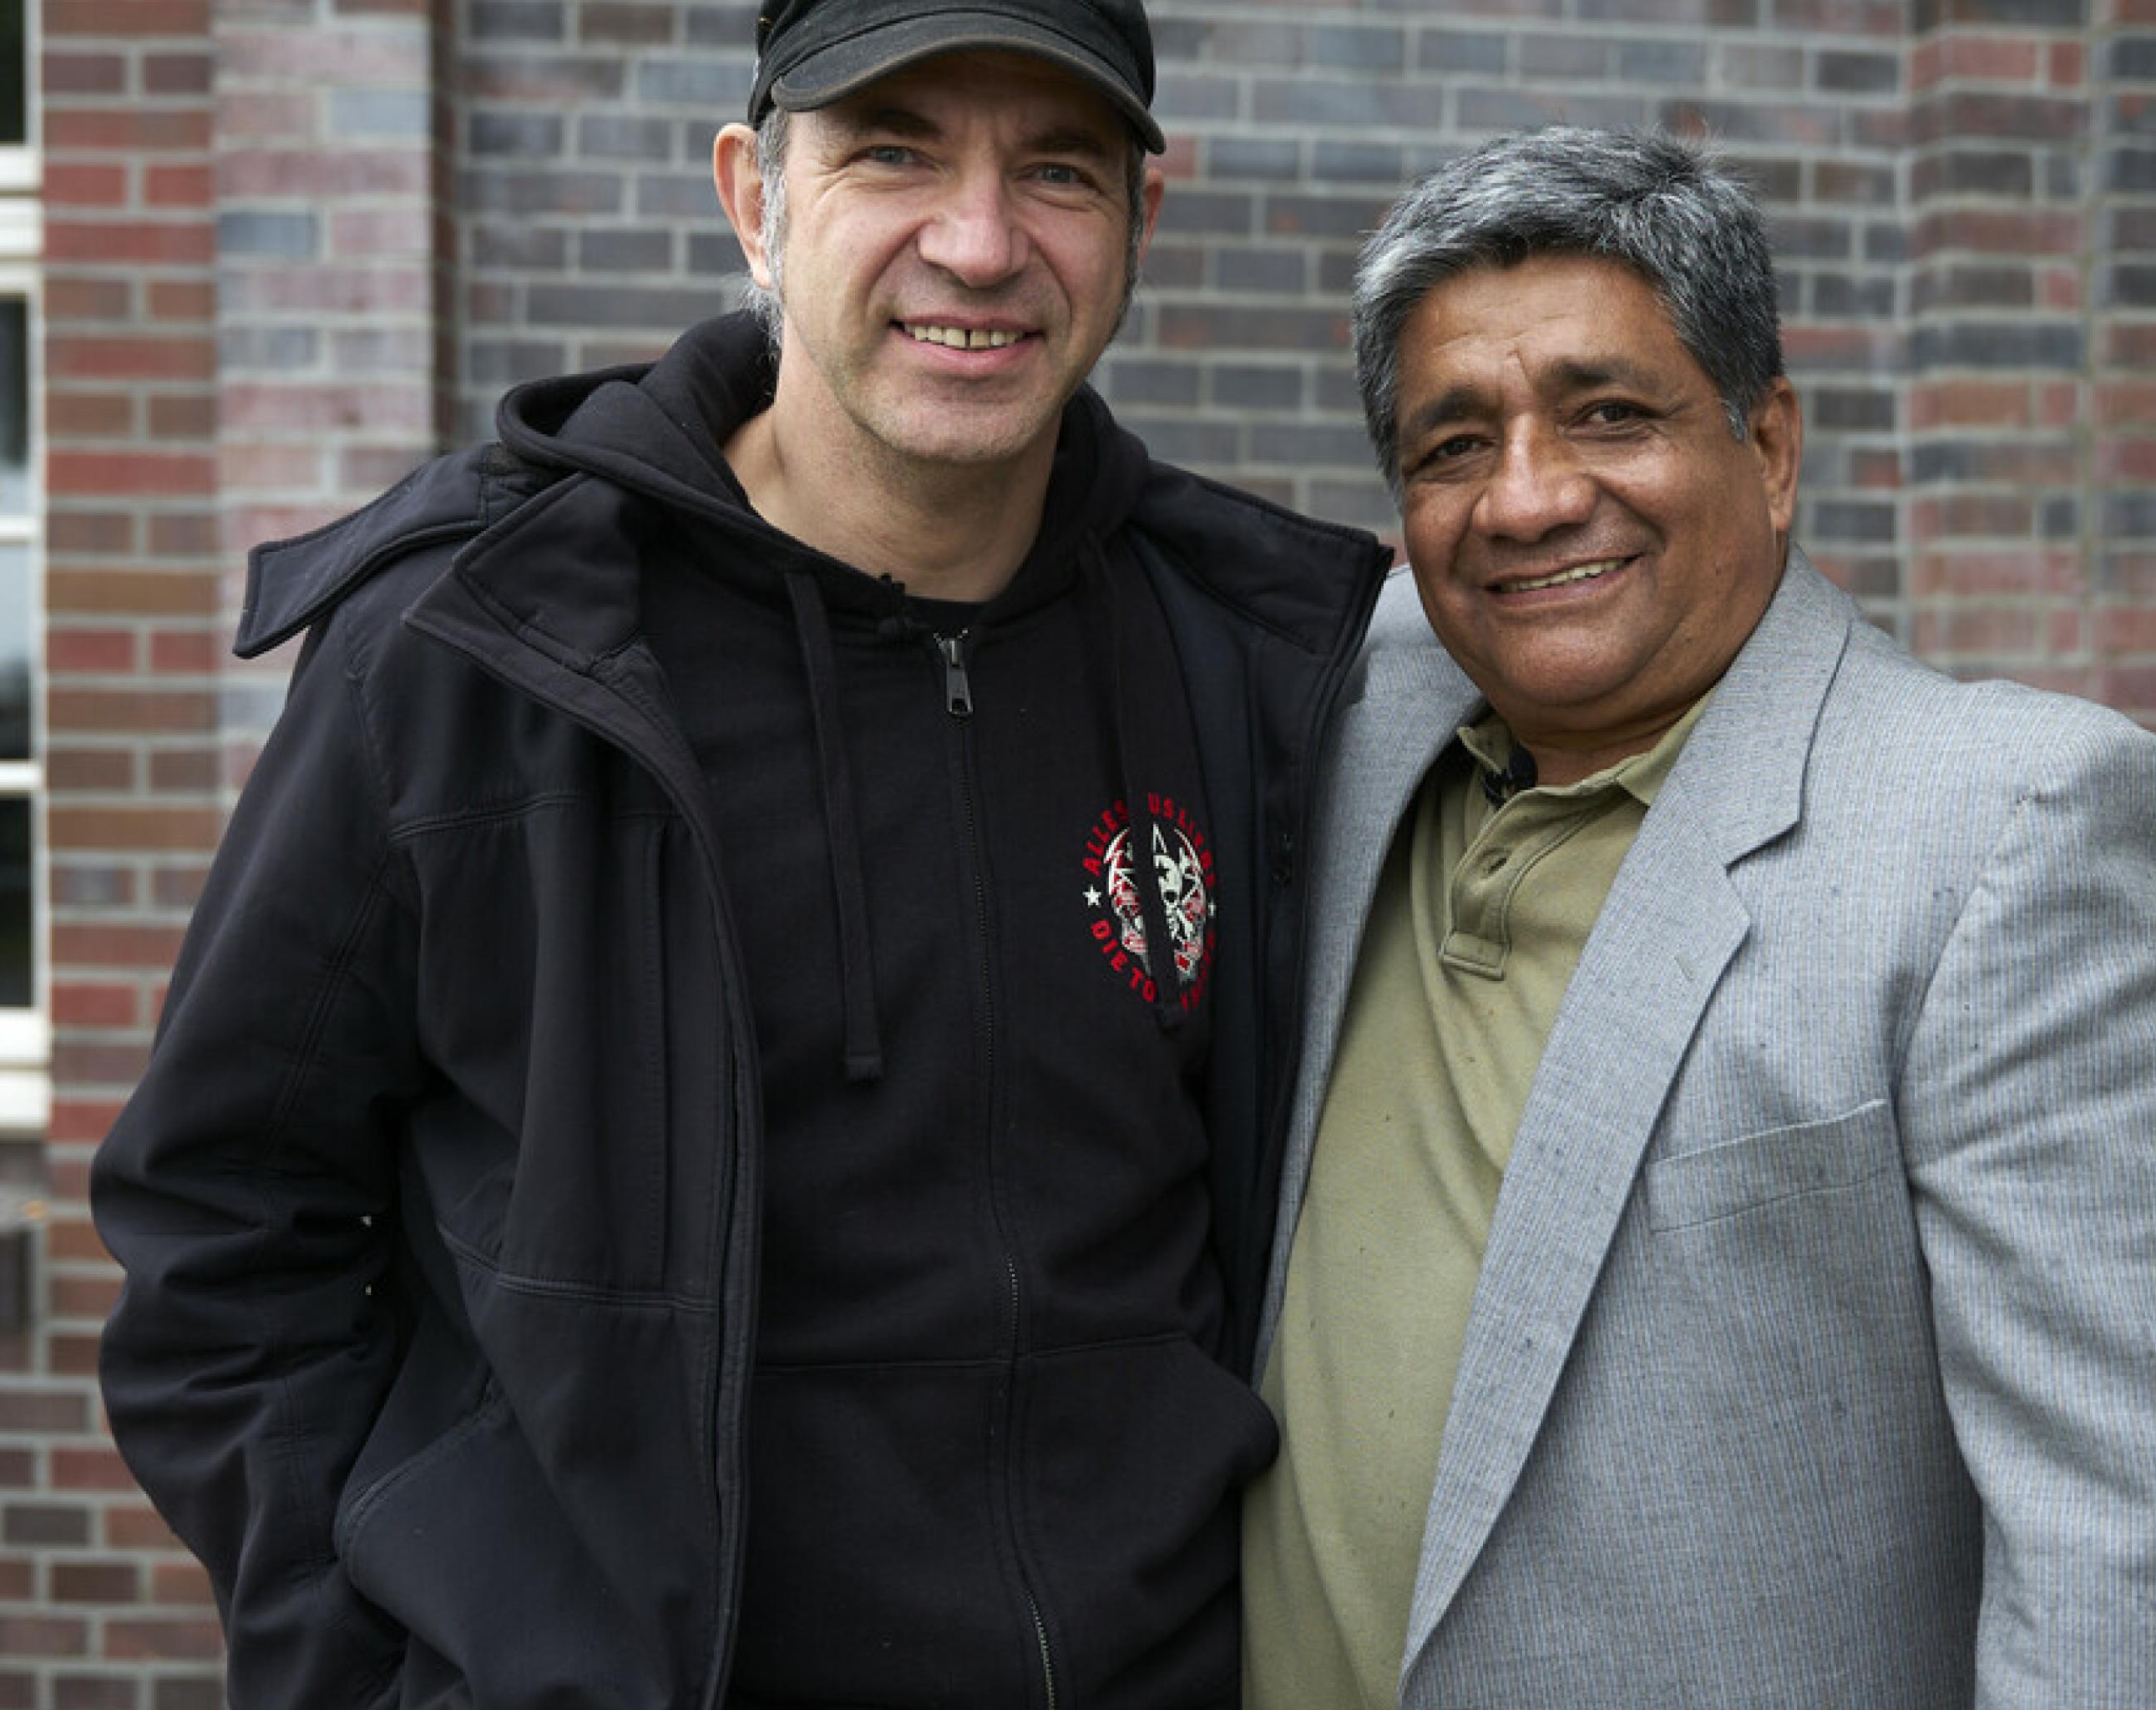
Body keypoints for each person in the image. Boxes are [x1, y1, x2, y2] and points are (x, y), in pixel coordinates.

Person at [89, 0, 1389, 1701]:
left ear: (1141, 219)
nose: (979, 241)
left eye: (1054, 168)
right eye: (892, 152)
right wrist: (370, 1664)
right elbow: (220, 1224)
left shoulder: (1254, 659)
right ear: (753, 199)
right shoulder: (485, 657)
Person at [1242, 128, 2156, 1709]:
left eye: (1611, 414)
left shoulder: (2013, 832)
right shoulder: (1359, 725)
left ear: (1769, 444)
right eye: (1453, 444)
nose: (1528, 498)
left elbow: (2149, 1547)